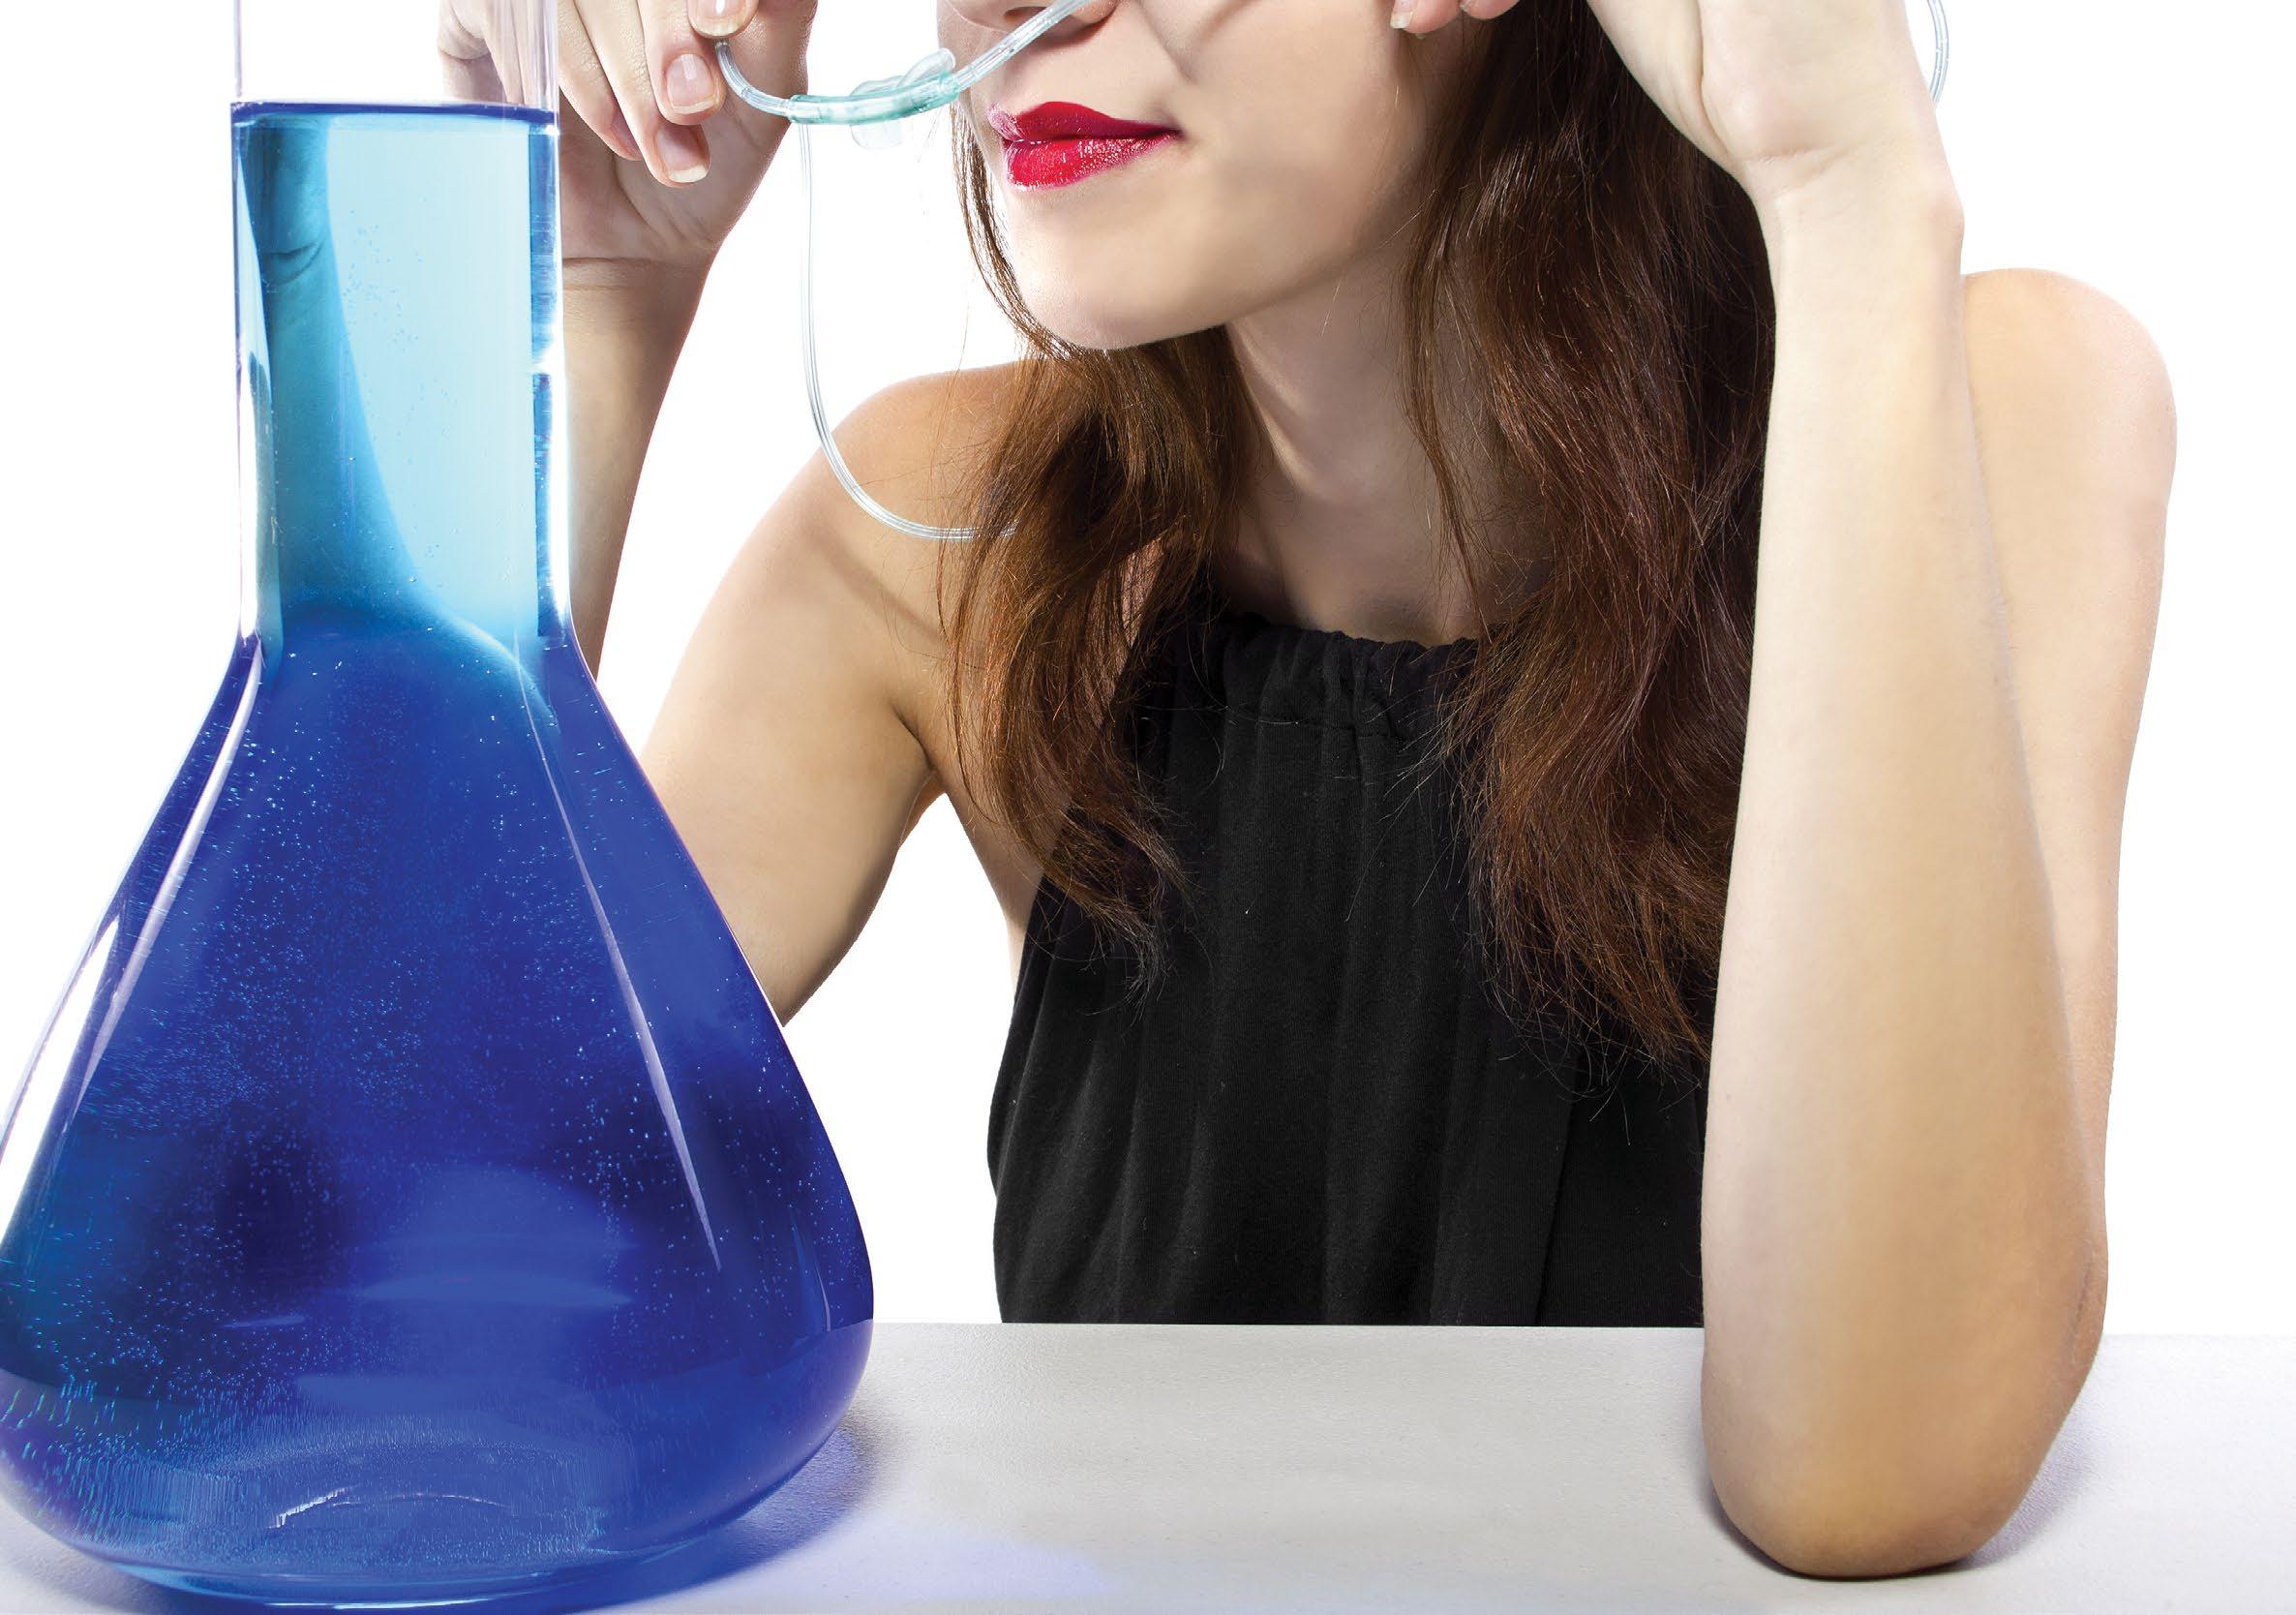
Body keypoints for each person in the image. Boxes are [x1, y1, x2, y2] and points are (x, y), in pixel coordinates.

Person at [449, 0, 2173, 1576]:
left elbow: (1878, 1472)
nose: (999, 12)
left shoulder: (1981, 408)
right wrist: (591, 299)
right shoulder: (949, 548)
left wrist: (1849, 193)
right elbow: (418, 1280)